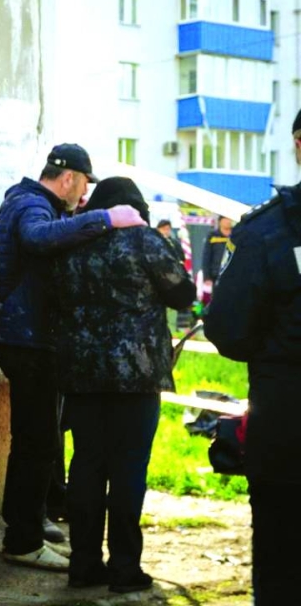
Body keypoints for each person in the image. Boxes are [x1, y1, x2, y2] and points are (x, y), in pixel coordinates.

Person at [0, 143, 146, 571]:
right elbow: (37, 239)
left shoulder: (25, 201)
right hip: (28, 339)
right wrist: (105, 218)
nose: (82, 197)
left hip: (25, 336)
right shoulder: (33, 206)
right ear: (70, 178)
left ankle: (26, 524)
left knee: (36, 440)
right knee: (38, 442)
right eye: (83, 187)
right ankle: (22, 540)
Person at [52, 178, 195, 593]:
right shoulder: (145, 241)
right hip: (136, 376)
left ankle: (83, 566)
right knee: (129, 468)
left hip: (83, 375)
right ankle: (125, 569)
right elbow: (183, 294)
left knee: (87, 466)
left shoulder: (74, 244)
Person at [204, 109, 301, 605]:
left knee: (283, 565)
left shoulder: (268, 232)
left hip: (287, 430)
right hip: (283, 427)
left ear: (298, 146)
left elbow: (228, 330)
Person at [201, 215, 233, 292]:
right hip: (216, 274)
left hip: (233, 274)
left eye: (229, 219)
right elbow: (206, 256)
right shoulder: (212, 235)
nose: (228, 221)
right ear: (220, 222)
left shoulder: (236, 234)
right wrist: (207, 276)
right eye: (225, 219)